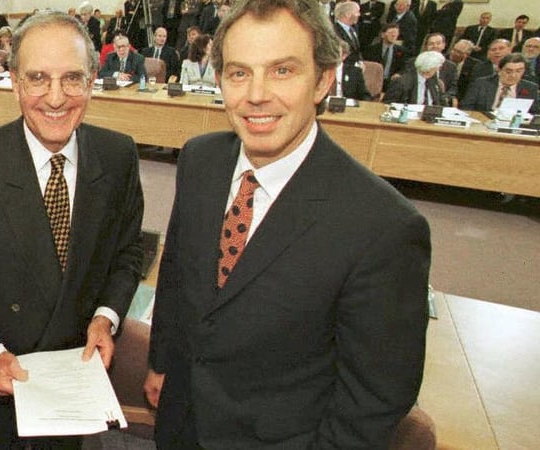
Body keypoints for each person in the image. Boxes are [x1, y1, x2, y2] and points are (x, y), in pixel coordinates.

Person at [143, 0, 431, 448]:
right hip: (181, 422)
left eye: (282, 71)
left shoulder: (385, 227)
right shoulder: (200, 159)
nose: (256, 94)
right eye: (239, 72)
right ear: (218, 79)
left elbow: (373, 400)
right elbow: (178, 275)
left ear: (323, 80)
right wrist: (162, 362)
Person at [0, 11, 144, 449]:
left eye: (72, 78)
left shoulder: (119, 155)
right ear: (14, 82)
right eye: (37, 78)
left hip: (77, 382)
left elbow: (127, 255)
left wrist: (107, 317)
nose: (55, 97)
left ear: (91, 82)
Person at [461, 53, 539, 114]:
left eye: (519, 71)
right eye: (508, 71)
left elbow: (534, 113)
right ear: (499, 70)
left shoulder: (531, 88)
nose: (513, 75)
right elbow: (465, 107)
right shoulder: (481, 84)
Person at [363, 22, 407, 91]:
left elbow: (404, 67)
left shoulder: (401, 51)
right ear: (383, 35)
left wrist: (398, 74)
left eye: (396, 33)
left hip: (391, 83)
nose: (393, 35)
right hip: (374, 81)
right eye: (391, 32)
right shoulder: (371, 49)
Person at [333, 0, 362, 65]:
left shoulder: (353, 29)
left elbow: (357, 50)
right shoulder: (334, 31)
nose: (359, 15)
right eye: (357, 12)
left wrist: (360, 62)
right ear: (348, 14)